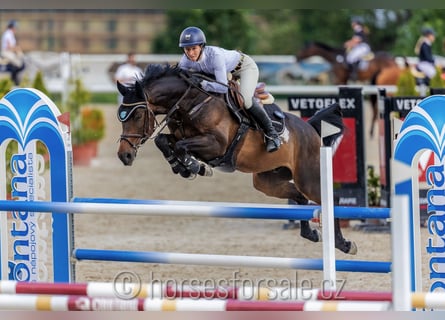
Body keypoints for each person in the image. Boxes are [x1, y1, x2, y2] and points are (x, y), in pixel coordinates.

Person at [177, 26, 281, 153]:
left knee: (246, 100)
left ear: (201, 46)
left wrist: (203, 84)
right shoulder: (184, 61)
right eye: (187, 49)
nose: (191, 53)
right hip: (225, 71)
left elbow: (222, 87)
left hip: (244, 67)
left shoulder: (215, 56)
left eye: (194, 49)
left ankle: (272, 134)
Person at [343, 16, 371, 81]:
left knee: (351, 58)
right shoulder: (359, 29)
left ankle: (354, 74)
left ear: (355, 23)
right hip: (362, 47)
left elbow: (356, 41)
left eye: (352, 22)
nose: (351, 24)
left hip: (363, 47)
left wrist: (347, 44)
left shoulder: (358, 29)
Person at [1, 19, 25, 85]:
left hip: (10, 52)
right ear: (12, 27)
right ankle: (14, 80)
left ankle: (14, 78)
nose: (16, 29)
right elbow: (9, 47)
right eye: (15, 27)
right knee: (17, 63)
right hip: (6, 52)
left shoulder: (10, 34)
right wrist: (17, 48)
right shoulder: (8, 34)